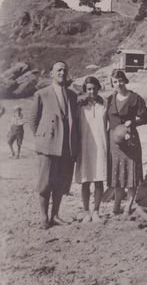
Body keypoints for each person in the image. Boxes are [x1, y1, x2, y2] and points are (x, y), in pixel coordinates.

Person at [29, 61, 80, 229]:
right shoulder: (42, 94)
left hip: (66, 145)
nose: (62, 73)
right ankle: (44, 217)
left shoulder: (72, 95)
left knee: (61, 182)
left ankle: (55, 215)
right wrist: (43, 138)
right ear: (51, 73)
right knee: (45, 183)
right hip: (48, 145)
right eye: (59, 70)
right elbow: (33, 121)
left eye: (65, 70)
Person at [106, 69, 147, 217]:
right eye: (115, 82)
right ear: (112, 84)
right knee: (117, 175)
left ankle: (128, 207)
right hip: (115, 143)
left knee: (131, 174)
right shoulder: (110, 99)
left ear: (125, 81)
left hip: (130, 140)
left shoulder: (135, 98)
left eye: (121, 80)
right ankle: (116, 206)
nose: (118, 84)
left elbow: (144, 116)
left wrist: (133, 121)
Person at [75, 76, 108, 223]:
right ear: (85, 90)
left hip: (101, 145)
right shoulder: (79, 105)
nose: (91, 91)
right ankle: (86, 210)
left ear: (98, 88)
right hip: (85, 145)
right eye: (88, 89)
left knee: (99, 179)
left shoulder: (105, 104)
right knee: (85, 180)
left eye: (94, 88)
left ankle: (96, 211)